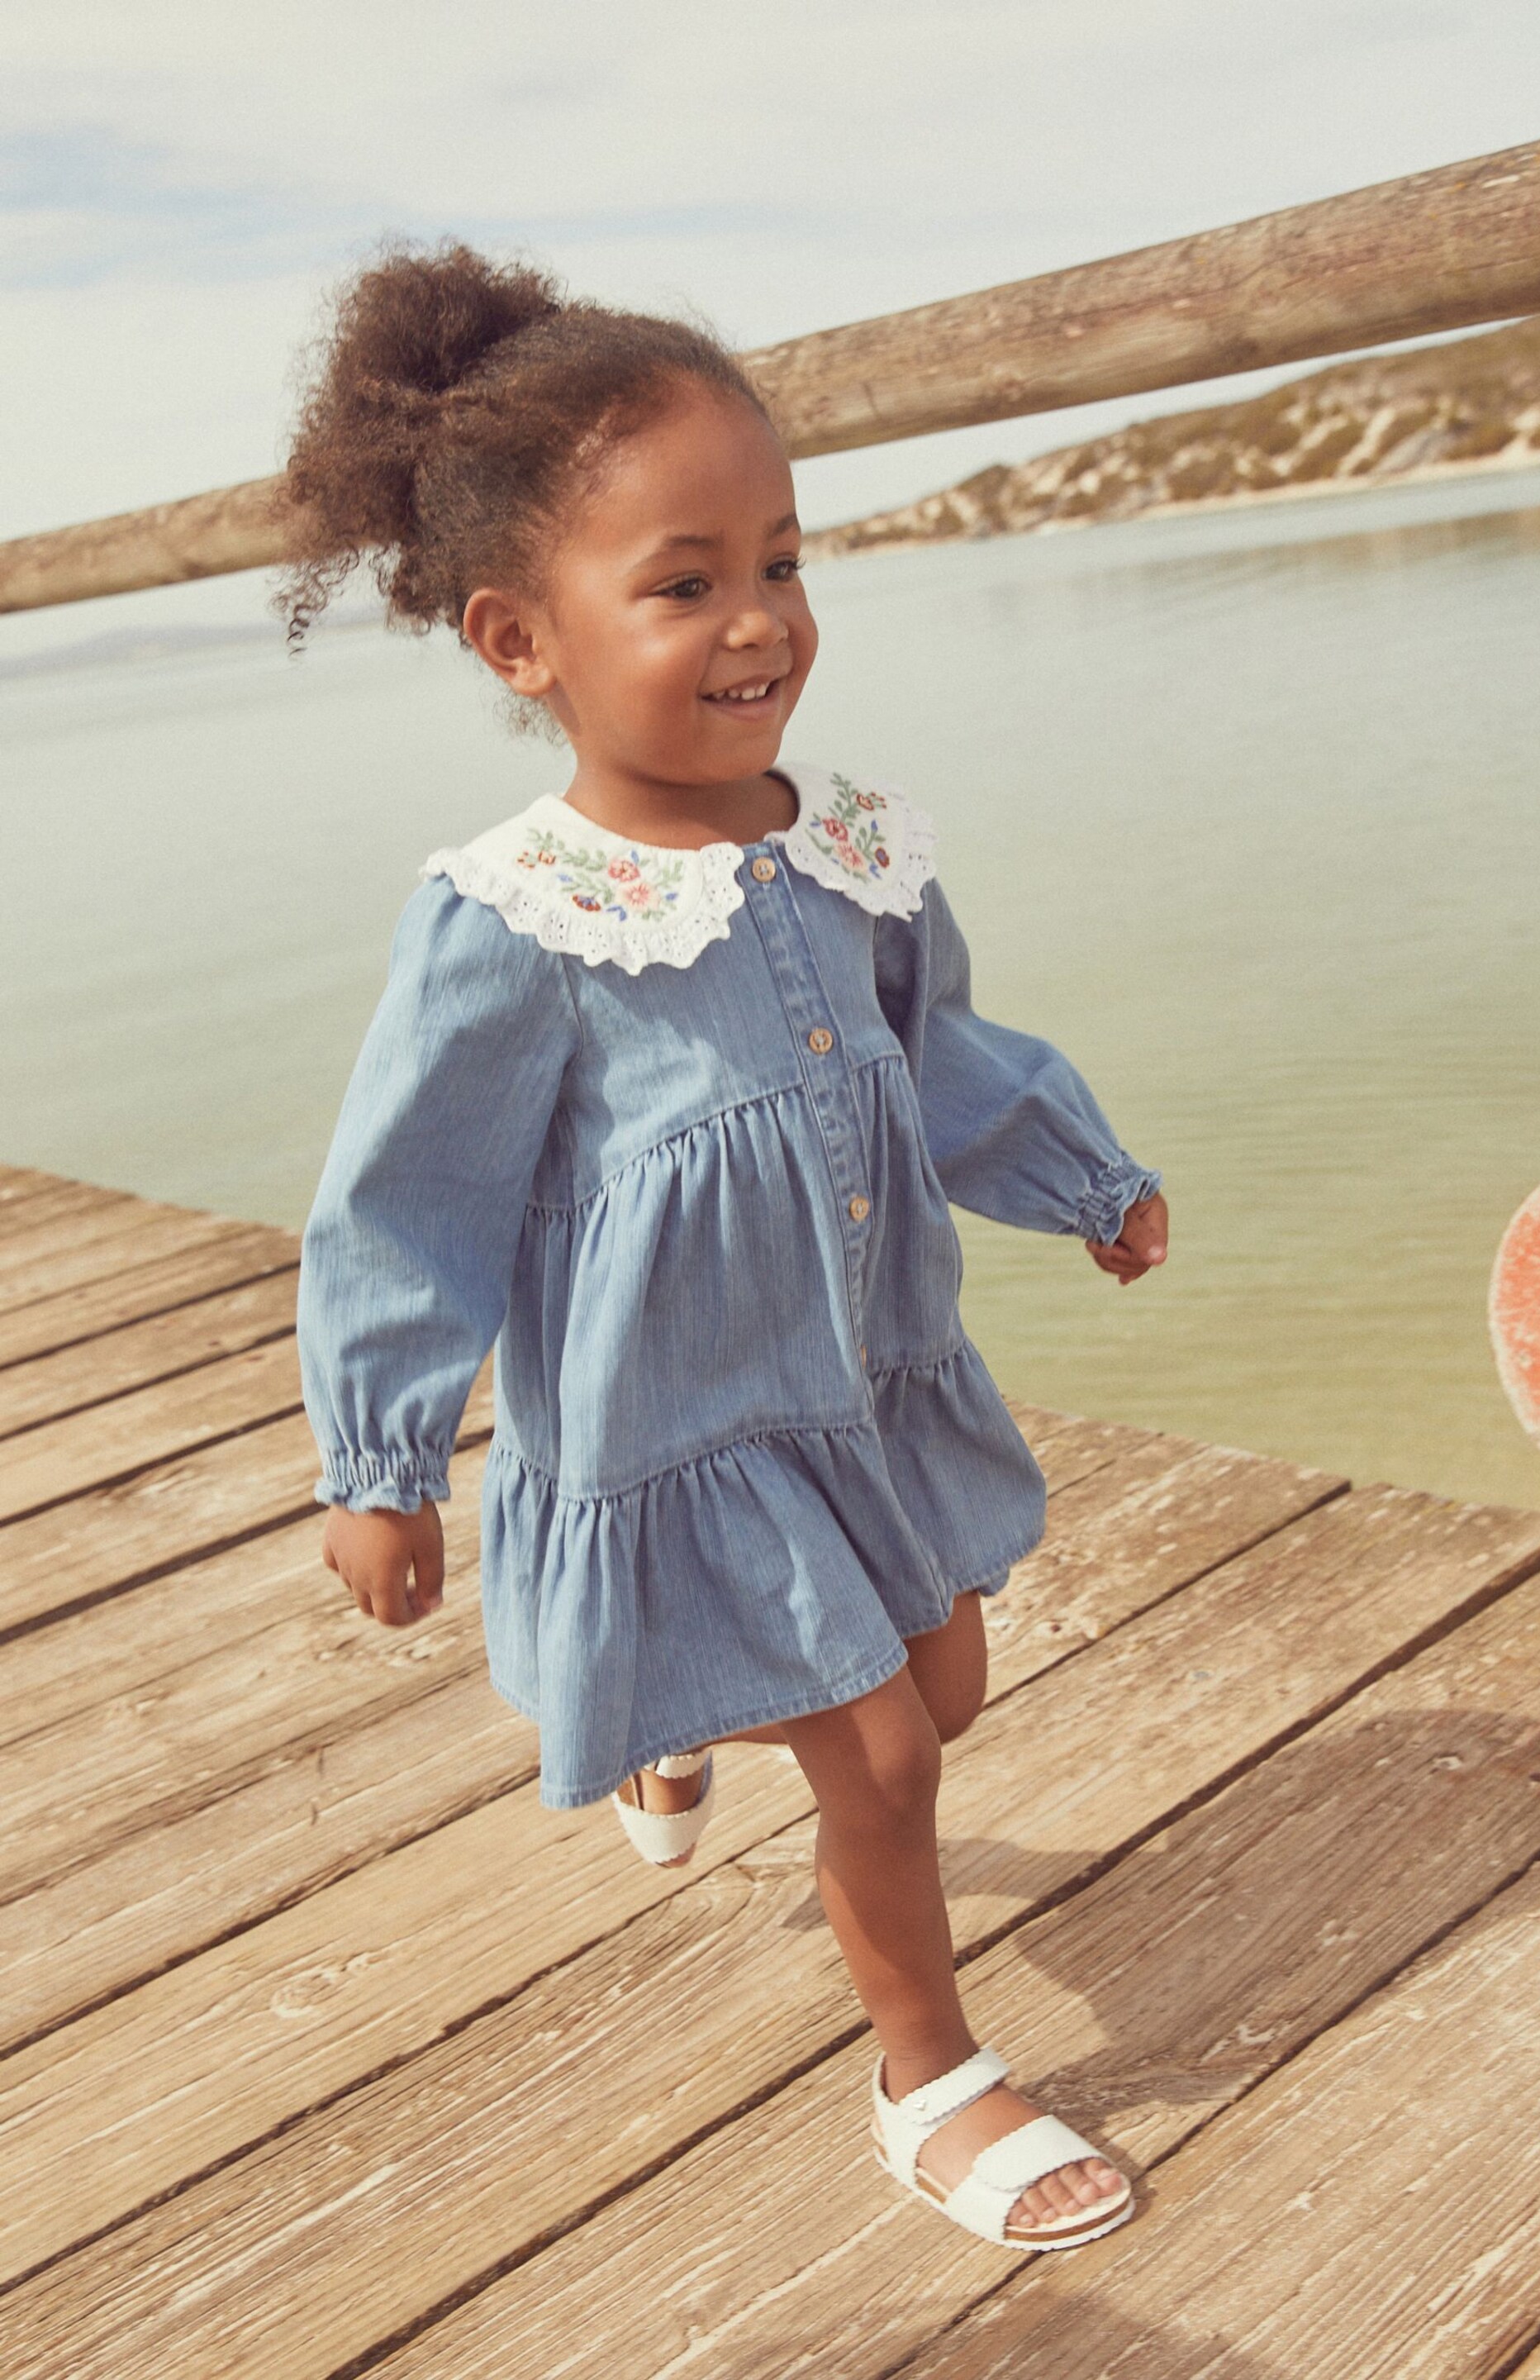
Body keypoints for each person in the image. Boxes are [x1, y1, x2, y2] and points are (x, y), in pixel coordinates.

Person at [289, 243, 1169, 2256]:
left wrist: (1080, 1176)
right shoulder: (517, 920)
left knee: (936, 1691)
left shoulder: (844, 841)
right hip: (677, 1430)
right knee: (873, 1749)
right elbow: (404, 1196)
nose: (759, 618)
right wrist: (379, 1455)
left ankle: (677, 1717)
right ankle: (929, 2073)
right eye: (684, 583)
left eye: (782, 558)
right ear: (523, 640)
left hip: (856, 1389)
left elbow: (935, 1053)